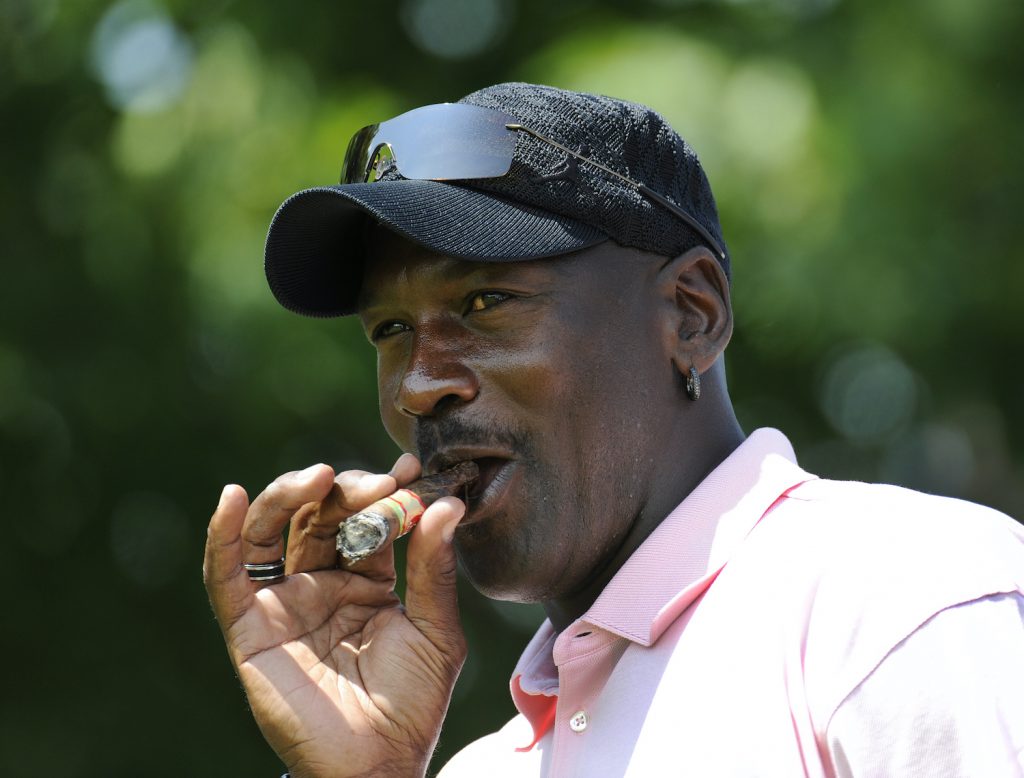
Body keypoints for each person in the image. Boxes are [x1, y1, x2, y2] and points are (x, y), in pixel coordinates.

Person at [203, 82, 1024, 777]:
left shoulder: (904, 604)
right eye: (389, 331)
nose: (420, 384)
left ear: (691, 315)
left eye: (485, 303)